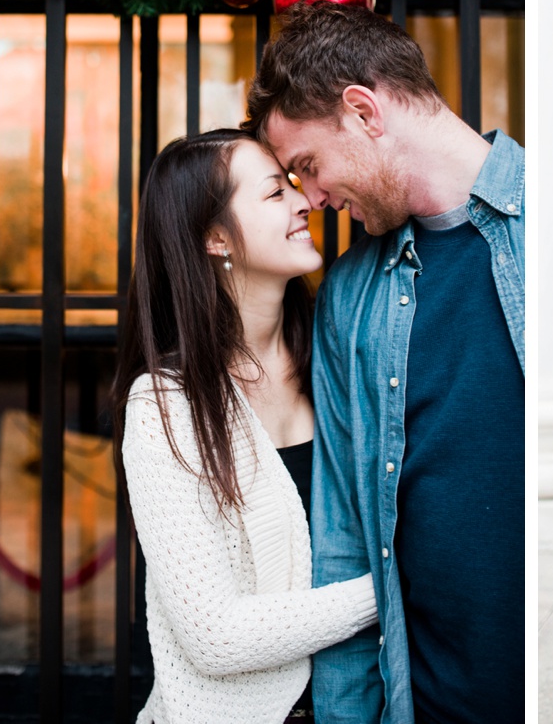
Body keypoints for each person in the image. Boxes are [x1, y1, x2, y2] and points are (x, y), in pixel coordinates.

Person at [244, 1, 525, 724]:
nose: (314, 198)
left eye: (306, 166)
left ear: (364, 111)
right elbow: (343, 537)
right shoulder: (349, 292)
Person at [113, 129, 378, 724]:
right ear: (213, 237)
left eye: (292, 187)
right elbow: (216, 635)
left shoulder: (337, 358)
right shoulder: (164, 405)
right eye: (273, 195)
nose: (303, 202)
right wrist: (390, 589)